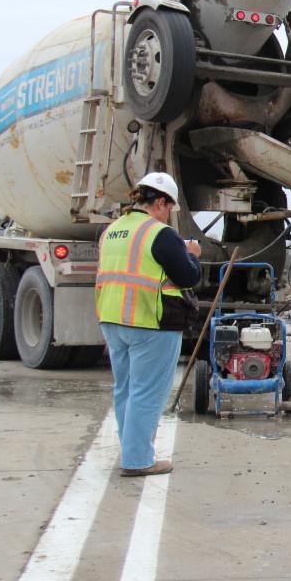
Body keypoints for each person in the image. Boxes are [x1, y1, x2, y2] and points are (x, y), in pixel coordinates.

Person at [96, 172, 201, 477]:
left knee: (126, 390)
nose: (168, 215)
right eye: (169, 208)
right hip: (150, 321)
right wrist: (191, 255)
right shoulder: (160, 234)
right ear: (160, 202)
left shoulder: (111, 231)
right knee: (147, 393)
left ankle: (131, 450)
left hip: (113, 318)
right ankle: (139, 460)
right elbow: (188, 277)